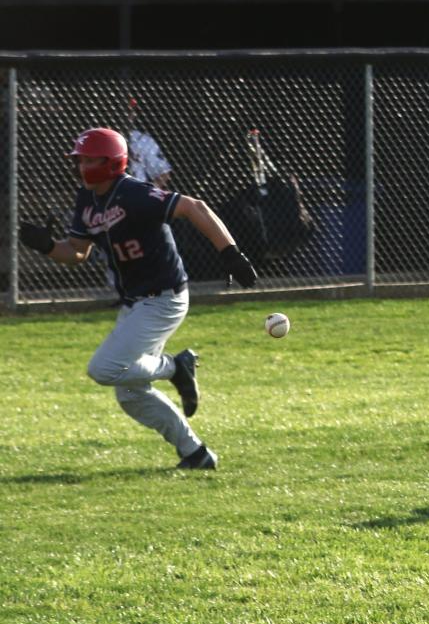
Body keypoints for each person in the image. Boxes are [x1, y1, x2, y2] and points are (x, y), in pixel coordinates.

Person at [17, 127, 258, 470]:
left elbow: (194, 207)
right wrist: (47, 246)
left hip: (164, 298)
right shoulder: (87, 197)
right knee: (130, 393)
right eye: (80, 159)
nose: (82, 166)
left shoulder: (134, 194)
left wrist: (231, 253)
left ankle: (176, 366)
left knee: (103, 369)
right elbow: (78, 253)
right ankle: (196, 453)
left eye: (90, 159)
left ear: (112, 162)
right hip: (135, 302)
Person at [126, 97, 172, 189]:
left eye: (130, 111)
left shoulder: (142, 140)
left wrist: (146, 194)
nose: (129, 115)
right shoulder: (95, 136)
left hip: (134, 194)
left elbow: (163, 172)